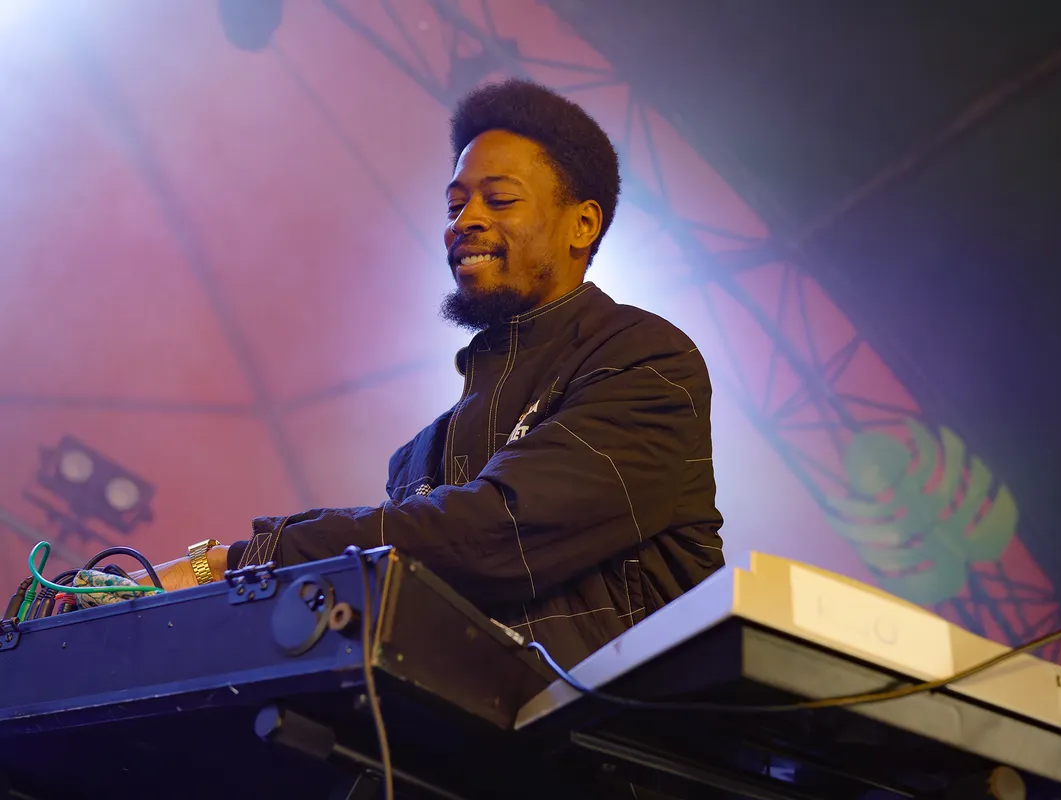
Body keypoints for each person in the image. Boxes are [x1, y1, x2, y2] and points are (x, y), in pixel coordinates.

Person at [146, 79, 724, 669]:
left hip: (610, 723)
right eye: (455, 206)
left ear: (582, 225)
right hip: (457, 723)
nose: (465, 221)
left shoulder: (645, 359)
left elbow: (492, 535)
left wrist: (237, 561)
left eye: (500, 200)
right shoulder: (418, 458)